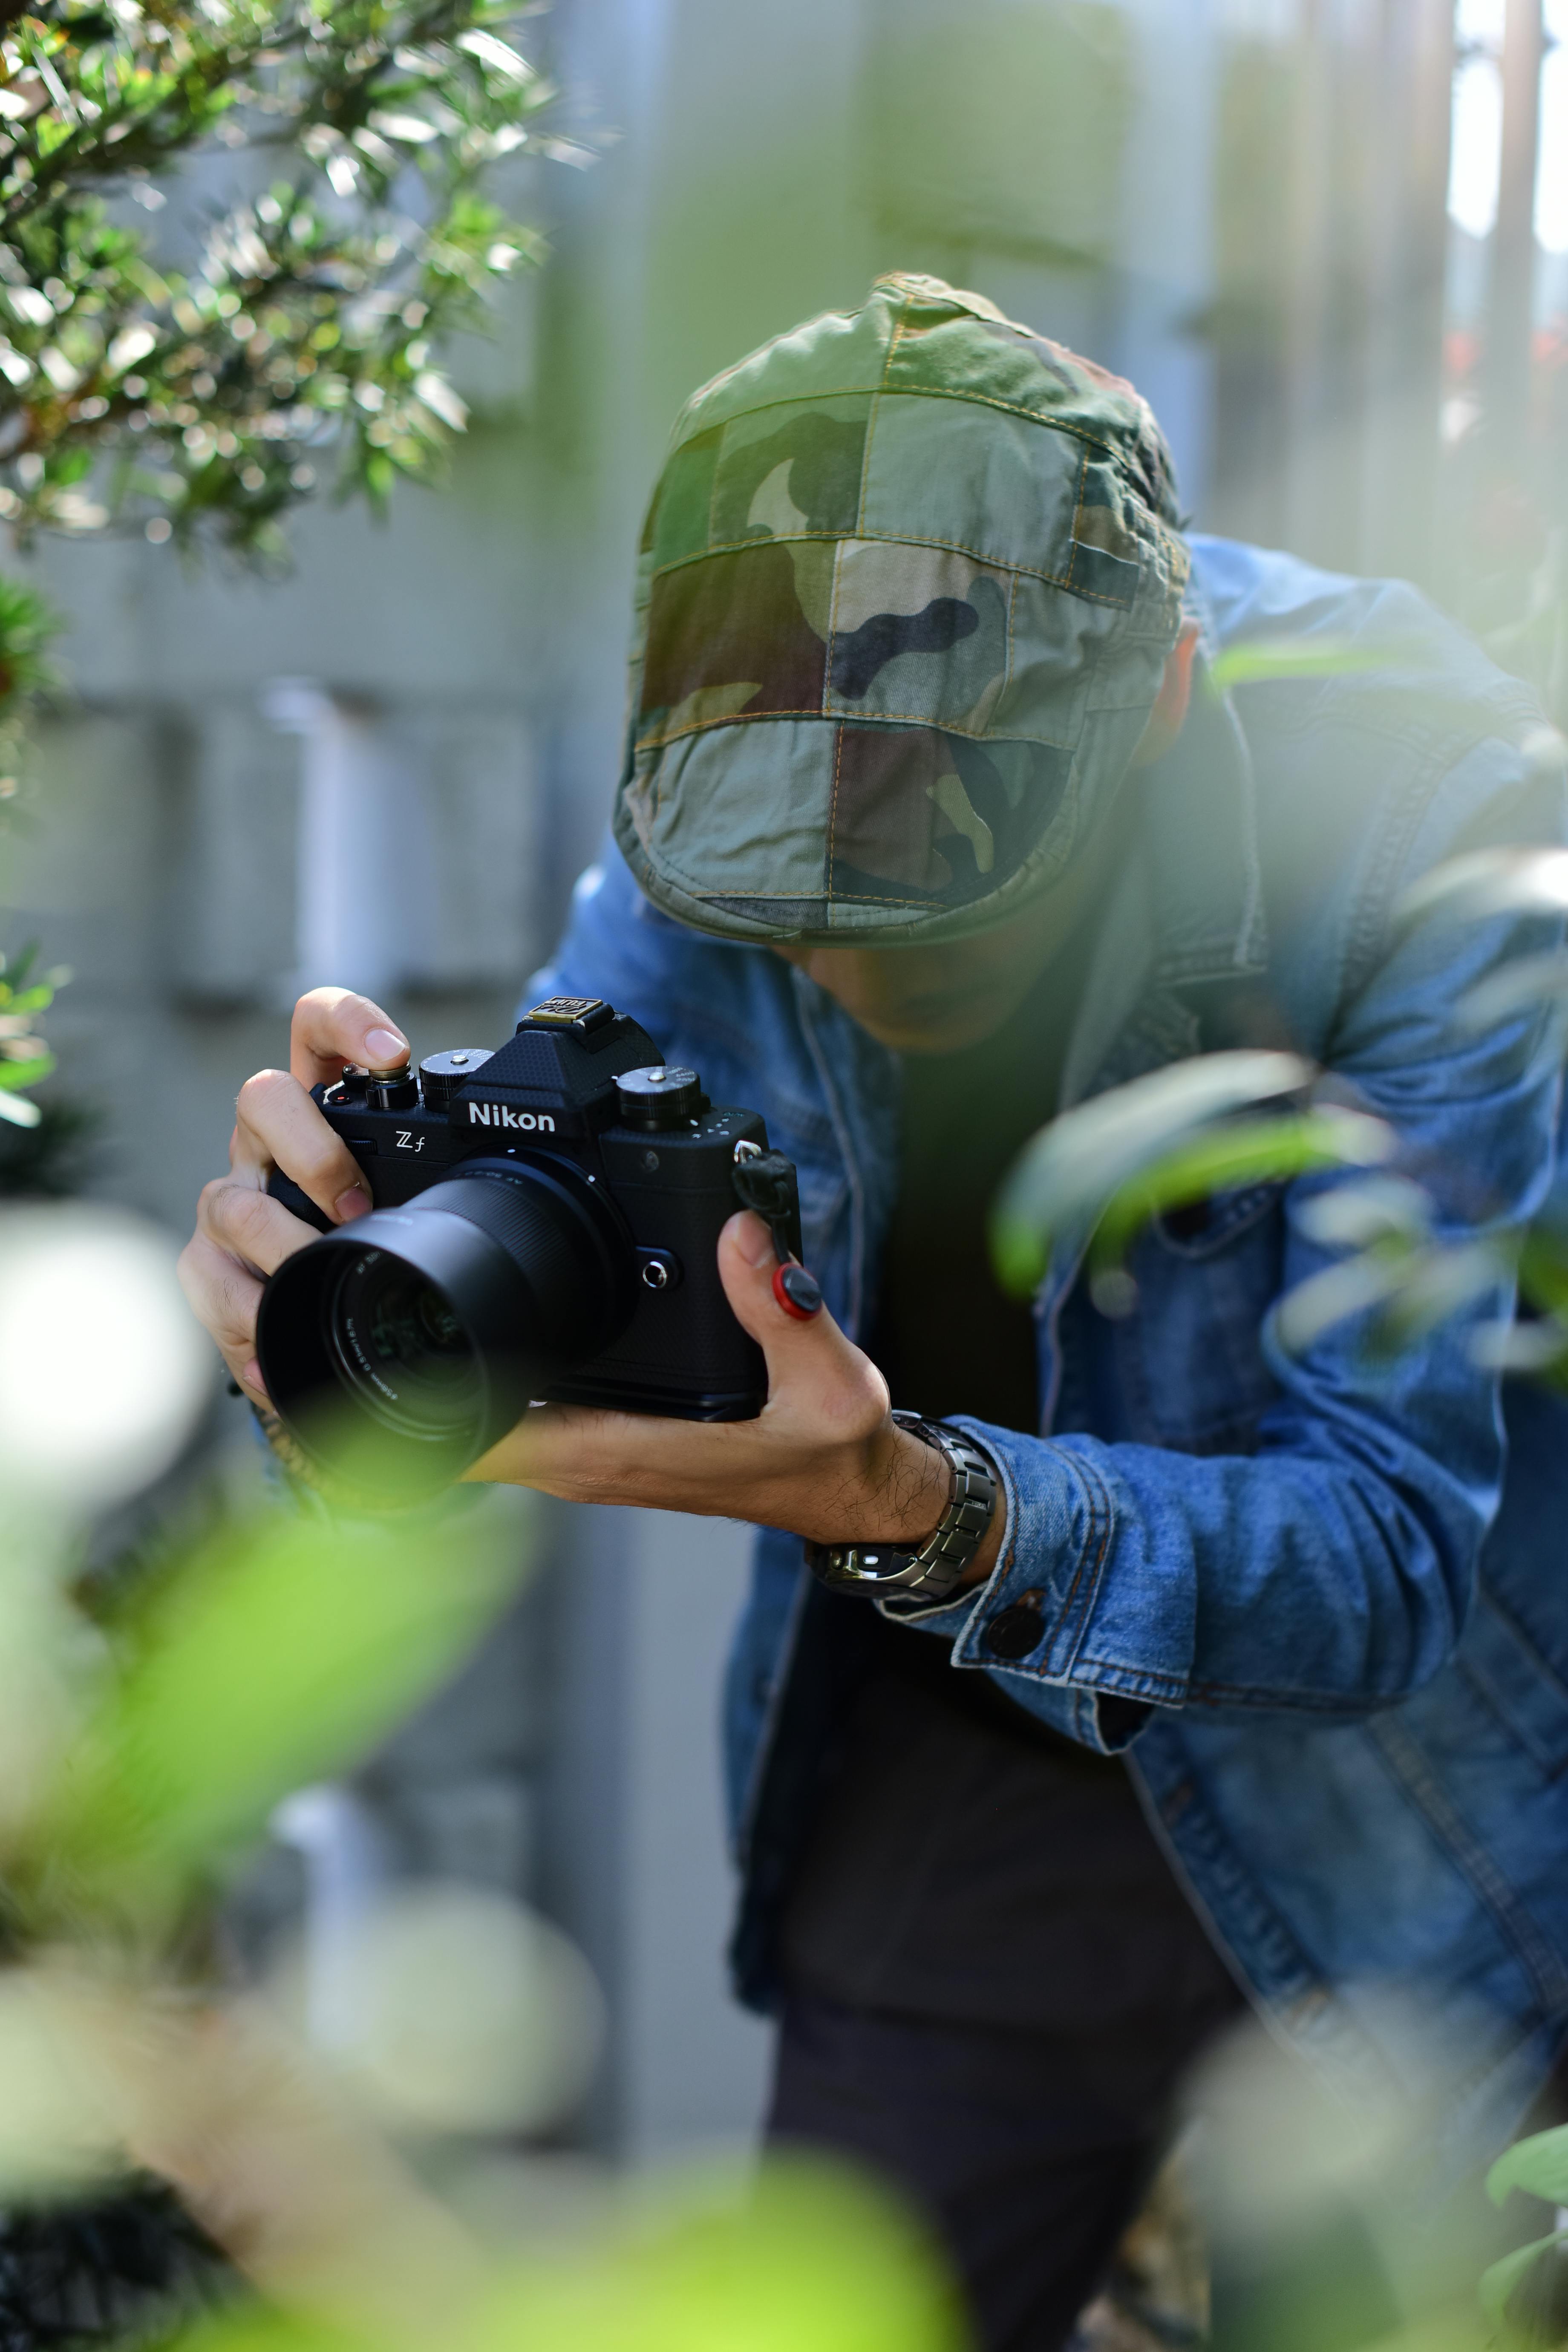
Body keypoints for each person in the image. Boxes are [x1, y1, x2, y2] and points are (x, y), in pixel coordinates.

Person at [181, 275, 1568, 2351]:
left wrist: (915, 1507)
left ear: (1164, 702)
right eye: (778, 898)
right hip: (950, 1764)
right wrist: (357, 1314)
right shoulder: (715, 792)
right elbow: (555, 1251)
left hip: (1408, 1822)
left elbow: (1377, 1560)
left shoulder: (1429, 841)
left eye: (946, 877)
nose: (843, 960)